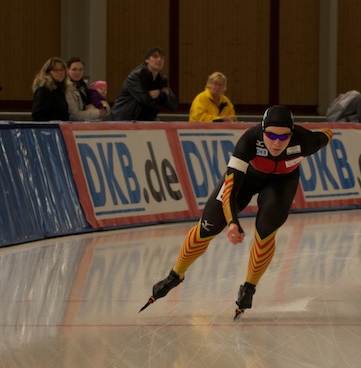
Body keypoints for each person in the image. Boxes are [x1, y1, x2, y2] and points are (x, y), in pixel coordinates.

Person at [139, 105, 333, 319]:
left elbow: (327, 134)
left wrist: (326, 134)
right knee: (209, 226)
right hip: (247, 179)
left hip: (282, 183)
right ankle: (176, 274)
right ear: (262, 130)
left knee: (266, 231)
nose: (277, 142)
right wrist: (233, 222)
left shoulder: (305, 141)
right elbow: (230, 189)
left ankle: (249, 287)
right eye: (271, 135)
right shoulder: (249, 139)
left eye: (283, 137)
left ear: (292, 133)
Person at [108, 46, 177, 121]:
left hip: (143, 120)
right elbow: (146, 101)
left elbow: (173, 105)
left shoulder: (163, 79)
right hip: (122, 120)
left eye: (162, 57)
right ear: (147, 60)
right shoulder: (136, 76)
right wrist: (162, 95)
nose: (159, 59)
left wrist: (157, 94)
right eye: (155, 56)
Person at [31, 57, 71, 122]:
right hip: (49, 127)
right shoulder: (44, 89)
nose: (60, 72)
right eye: (56, 70)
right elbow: (37, 114)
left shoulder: (60, 89)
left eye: (62, 69)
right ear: (48, 72)